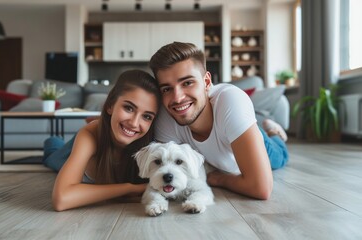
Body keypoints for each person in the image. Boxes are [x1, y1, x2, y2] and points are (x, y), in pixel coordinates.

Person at [149, 42, 289, 200]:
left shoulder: (230, 101)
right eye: (167, 89)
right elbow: (164, 171)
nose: (177, 98)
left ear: (207, 82)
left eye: (187, 83)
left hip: (249, 136)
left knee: (280, 157)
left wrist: (219, 179)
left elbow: (260, 188)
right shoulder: (167, 115)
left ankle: (274, 132)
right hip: (222, 155)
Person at [43, 69, 161, 211]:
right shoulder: (90, 136)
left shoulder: (152, 144)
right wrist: (129, 188)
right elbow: (61, 200)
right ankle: (53, 141)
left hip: (105, 128)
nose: (135, 123)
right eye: (128, 108)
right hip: (71, 148)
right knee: (52, 154)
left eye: (147, 116)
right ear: (110, 105)